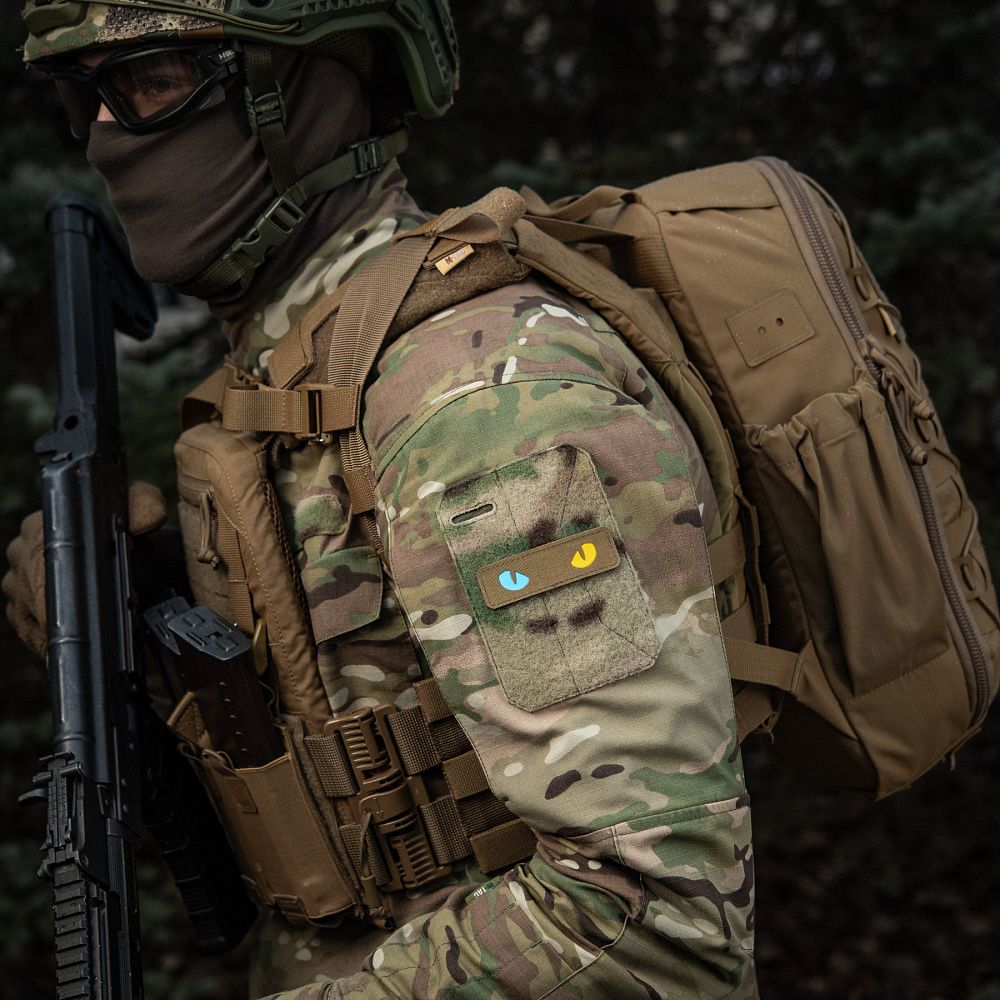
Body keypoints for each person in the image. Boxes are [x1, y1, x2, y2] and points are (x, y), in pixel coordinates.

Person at [7, 3, 756, 997]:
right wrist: (138, 638)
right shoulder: (297, 373)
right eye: (82, 97)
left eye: (151, 84)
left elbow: (655, 919)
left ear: (300, 91)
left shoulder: (482, 404)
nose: (104, 136)